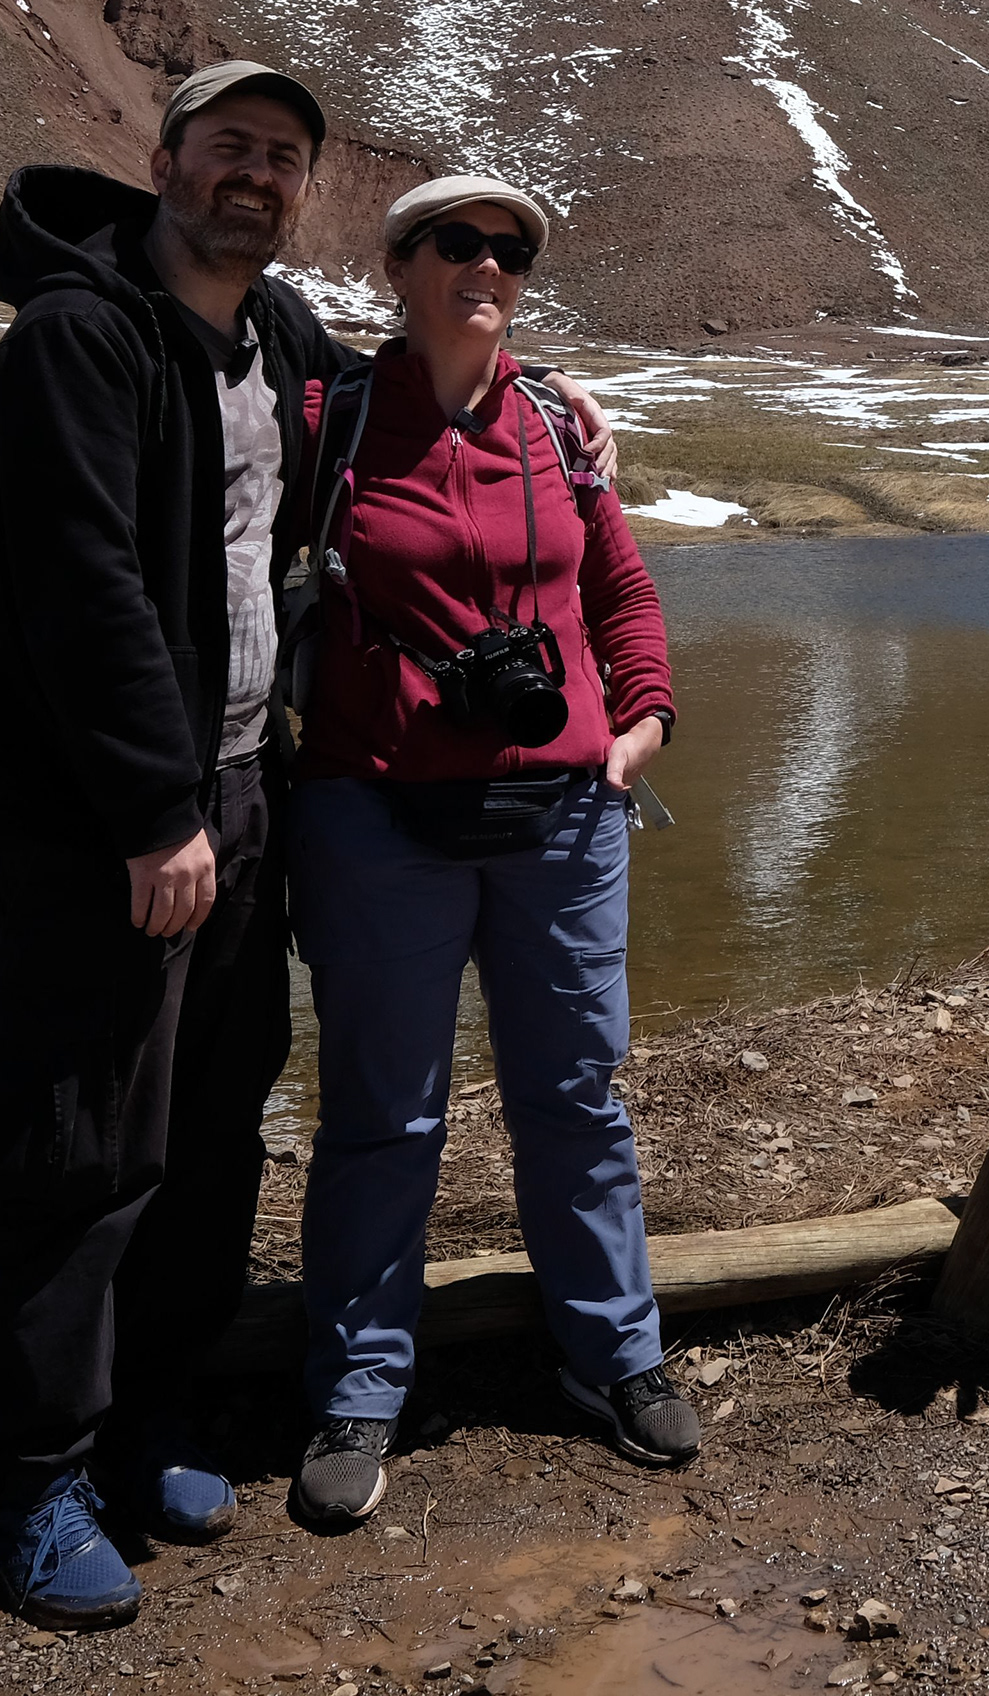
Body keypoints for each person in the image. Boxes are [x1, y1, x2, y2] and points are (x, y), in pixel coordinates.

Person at [0, 60, 355, 1630]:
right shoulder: (76, 339)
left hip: (240, 797)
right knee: (76, 1142)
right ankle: (28, 1481)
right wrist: (150, 812)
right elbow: (81, 595)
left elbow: (370, 407)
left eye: (284, 158)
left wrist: (522, 387)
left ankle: (148, 1416)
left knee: (212, 1125)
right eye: (230, 147)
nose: (257, 176)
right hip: (100, 828)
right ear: (162, 158)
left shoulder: (277, 342)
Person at [282, 172, 692, 1532]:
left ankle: (613, 1355)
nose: (486, 266)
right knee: (383, 1115)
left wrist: (643, 720)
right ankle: (360, 1385)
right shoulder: (328, 418)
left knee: (576, 1097)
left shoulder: (558, 432)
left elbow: (617, 588)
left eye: (509, 250)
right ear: (400, 264)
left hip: (566, 819)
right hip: (376, 812)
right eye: (456, 243)